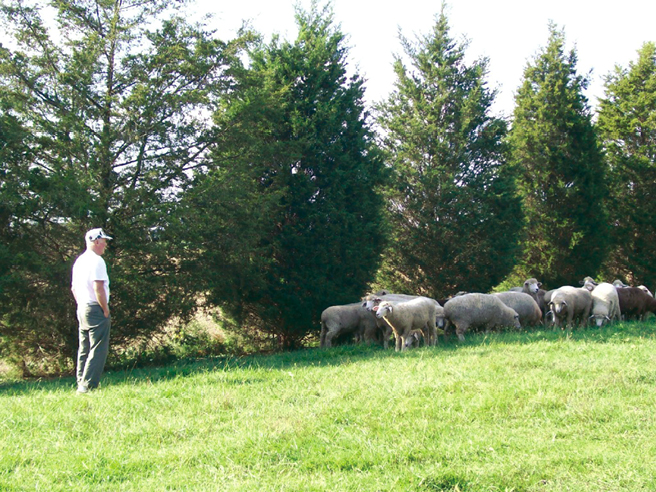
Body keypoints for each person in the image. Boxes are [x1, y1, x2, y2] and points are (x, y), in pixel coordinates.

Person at [71, 228, 113, 393]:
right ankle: (88, 386)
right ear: (96, 241)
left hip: (82, 307)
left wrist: (81, 304)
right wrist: (105, 309)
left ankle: (81, 382)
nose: (105, 245)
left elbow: (74, 288)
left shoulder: (79, 261)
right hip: (95, 308)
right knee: (98, 348)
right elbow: (99, 287)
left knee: (84, 348)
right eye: (104, 241)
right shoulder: (97, 261)